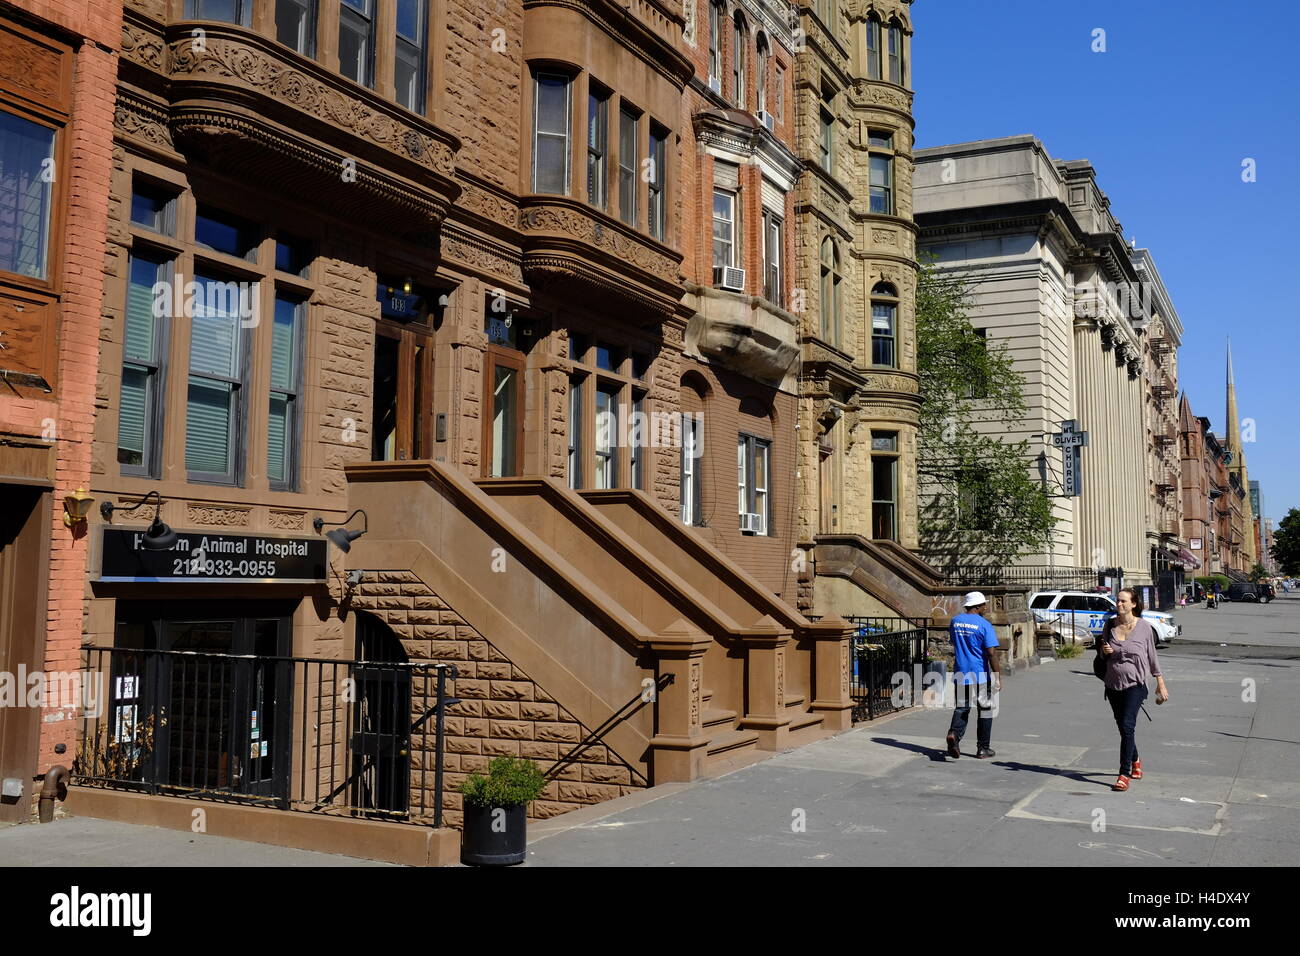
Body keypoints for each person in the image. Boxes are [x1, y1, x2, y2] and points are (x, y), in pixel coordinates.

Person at [1098, 587, 1170, 792]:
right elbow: (1102, 657)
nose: (1118, 604)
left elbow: (1152, 656)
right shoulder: (1109, 626)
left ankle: (1124, 773)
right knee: (1123, 726)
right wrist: (1105, 652)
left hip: (1135, 685)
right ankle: (1136, 759)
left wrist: (1160, 683)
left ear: (1133, 604)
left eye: (1122, 601)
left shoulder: (1145, 628)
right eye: (1117, 601)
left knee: (1128, 725)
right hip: (1112, 684)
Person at [944, 591, 1002, 759]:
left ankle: (954, 734)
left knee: (962, 707)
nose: (986, 607)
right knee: (985, 710)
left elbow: (955, 643)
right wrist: (998, 677)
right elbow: (991, 653)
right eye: (984, 604)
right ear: (977, 606)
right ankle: (983, 748)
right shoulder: (984, 625)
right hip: (980, 674)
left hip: (961, 671)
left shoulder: (955, 621)